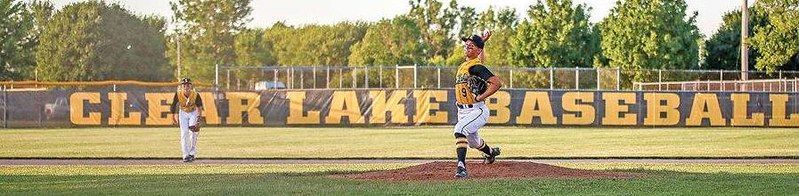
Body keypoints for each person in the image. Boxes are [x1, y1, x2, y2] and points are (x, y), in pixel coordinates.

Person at [452, 33, 503, 178]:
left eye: (472, 45)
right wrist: (481, 42)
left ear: (478, 50)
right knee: (473, 142)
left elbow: (496, 83)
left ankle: (461, 167)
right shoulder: (465, 65)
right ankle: (491, 153)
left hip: (477, 110)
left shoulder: (476, 67)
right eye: (467, 44)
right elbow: (478, 58)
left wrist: (480, 97)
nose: (467, 45)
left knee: (459, 130)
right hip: (462, 111)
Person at [170, 78, 204, 162]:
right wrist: (173, 116)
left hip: (193, 112)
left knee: (193, 132)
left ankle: (192, 153)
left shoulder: (195, 94)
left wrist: (198, 119)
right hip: (183, 112)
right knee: (184, 133)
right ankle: (185, 155)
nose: (186, 86)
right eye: (184, 85)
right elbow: (173, 105)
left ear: (191, 86)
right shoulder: (178, 94)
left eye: (188, 84)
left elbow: (199, 107)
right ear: (182, 86)